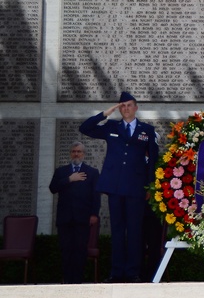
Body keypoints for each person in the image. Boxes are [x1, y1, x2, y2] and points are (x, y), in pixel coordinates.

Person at [79, 91, 158, 283]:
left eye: (129, 105)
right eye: (122, 106)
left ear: (136, 107)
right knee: (116, 230)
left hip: (136, 189)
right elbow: (85, 128)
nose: (126, 109)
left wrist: (149, 187)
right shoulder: (111, 126)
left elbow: (153, 160)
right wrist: (104, 114)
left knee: (134, 231)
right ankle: (116, 272)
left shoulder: (146, 130)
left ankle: (132, 272)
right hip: (115, 187)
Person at [48, 141, 101, 284]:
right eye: (73, 151)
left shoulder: (92, 172)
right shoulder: (61, 171)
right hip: (65, 219)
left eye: (79, 151)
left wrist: (94, 214)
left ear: (83, 154)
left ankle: (77, 281)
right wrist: (69, 179)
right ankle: (67, 280)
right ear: (70, 153)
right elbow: (52, 188)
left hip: (83, 219)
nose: (76, 154)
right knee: (66, 250)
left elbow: (96, 195)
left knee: (80, 250)